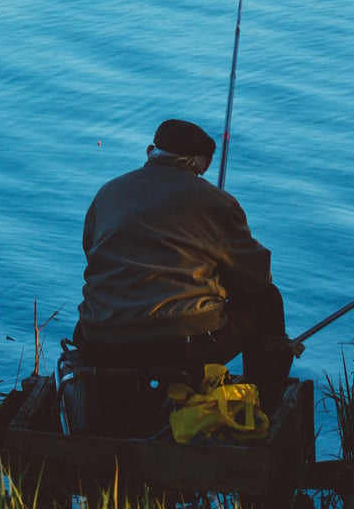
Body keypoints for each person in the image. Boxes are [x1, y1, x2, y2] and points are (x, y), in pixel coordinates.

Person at [71, 118, 294, 394]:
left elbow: (92, 253)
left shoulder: (107, 193)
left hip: (99, 341)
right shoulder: (215, 201)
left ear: (150, 150)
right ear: (203, 164)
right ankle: (265, 397)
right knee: (266, 300)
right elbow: (258, 276)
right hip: (180, 348)